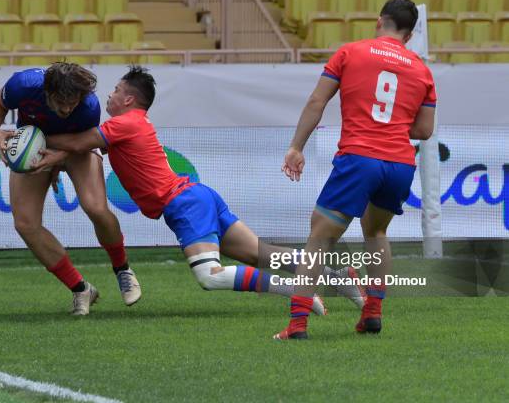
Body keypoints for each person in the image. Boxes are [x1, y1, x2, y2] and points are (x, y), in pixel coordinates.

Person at [32, 66, 365, 314]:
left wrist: (31, 135)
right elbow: (81, 149)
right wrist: (60, 155)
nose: (109, 94)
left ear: (129, 99)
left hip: (184, 204)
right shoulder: (128, 126)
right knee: (258, 254)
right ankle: (337, 275)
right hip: (197, 196)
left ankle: (295, 289)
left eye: (116, 89)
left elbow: (78, 141)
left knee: (210, 275)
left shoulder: (124, 123)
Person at [275, 0, 436, 340]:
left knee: (320, 236)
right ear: (409, 35)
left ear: (380, 21)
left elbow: (317, 101)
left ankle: (297, 325)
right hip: (399, 164)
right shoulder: (422, 70)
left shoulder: (350, 52)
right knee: (376, 234)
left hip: (359, 158)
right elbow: (423, 131)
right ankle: (373, 314)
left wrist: (296, 147)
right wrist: (391, 124)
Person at [0, 62, 141, 316]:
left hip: (77, 147)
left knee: (95, 207)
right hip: (35, 146)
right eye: (62, 102)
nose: (68, 109)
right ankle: (81, 289)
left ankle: (122, 268)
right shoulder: (23, 84)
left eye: (73, 103)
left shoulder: (88, 105)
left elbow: (90, 142)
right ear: (47, 91)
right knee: (25, 224)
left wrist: (57, 161)